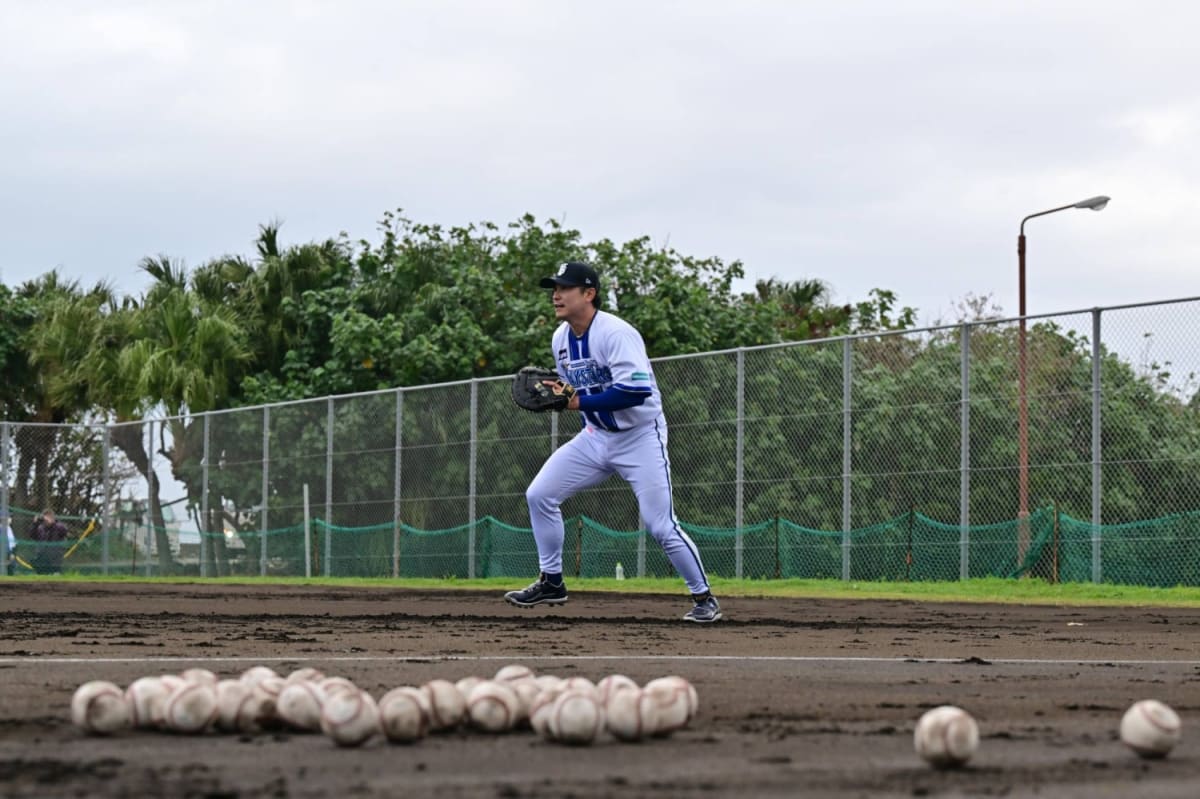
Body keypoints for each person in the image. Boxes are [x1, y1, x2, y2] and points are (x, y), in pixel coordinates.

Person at [504, 261, 722, 622]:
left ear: (588, 294)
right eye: (554, 288)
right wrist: (562, 394)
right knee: (539, 495)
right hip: (594, 437)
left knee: (660, 525)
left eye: (565, 287)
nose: (556, 294)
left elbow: (635, 391)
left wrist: (576, 401)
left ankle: (704, 598)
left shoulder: (616, 333)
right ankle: (552, 581)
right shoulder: (561, 338)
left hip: (640, 438)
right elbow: (577, 389)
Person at [29, 509, 68, 575]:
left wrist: (53, 523)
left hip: (54, 559)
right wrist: (35, 523)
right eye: (45, 518)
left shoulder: (58, 526)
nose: (46, 521)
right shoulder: (41, 528)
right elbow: (32, 535)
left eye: (48, 518)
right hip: (42, 557)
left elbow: (64, 531)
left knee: (55, 575)